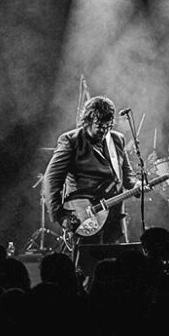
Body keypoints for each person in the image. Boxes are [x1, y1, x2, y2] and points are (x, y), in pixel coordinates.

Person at [43, 95, 138, 246]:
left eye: (108, 126)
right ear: (87, 121)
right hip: (85, 216)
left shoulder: (117, 139)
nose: (104, 131)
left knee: (118, 265)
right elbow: (51, 180)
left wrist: (136, 184)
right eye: (100, 126)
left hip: (115, 218)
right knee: (88, 265)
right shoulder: (71, 141)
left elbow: (127, 176)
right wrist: (61, 217)